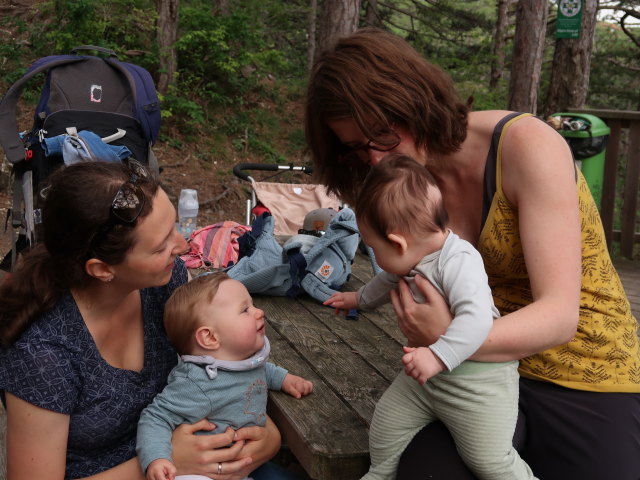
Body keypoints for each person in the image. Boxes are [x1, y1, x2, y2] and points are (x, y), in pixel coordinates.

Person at [305, 27, 640, 480]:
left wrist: (447, 339)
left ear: (414, 103)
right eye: (354, 148)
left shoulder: (525, 147)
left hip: (581, 367)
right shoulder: (398, 185)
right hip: (472, 377)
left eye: (381, 136)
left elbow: (560, 317)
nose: (376, 161)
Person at [0, 160, 284, 480]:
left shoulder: (163, 285)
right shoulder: (42, 353)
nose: (184, 245)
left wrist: (267, 437)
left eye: (175, 226)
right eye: (162, 245)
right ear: (102, 269)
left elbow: (221, 366)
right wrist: (164, 461)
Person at [325, 154, 534, 480]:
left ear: (397, 242)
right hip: (423, 383)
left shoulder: (459, 261)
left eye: (373, 248)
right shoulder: (411, 255)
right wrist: (357, 298)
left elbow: (477, 320)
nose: (375, 256)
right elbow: (387, 279)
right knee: (387, 423)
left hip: (478, 386)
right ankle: (380, 473)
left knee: (490, 462)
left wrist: (437, 355)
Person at [138, 272, 314, 480]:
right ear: (210, 337)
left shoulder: (241, 359)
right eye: (245, 310)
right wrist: (157, 458)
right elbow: (156, 417)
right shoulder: (197, 383)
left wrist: (285, 379)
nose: (259, 312)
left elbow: (260, 369)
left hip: (245, 462)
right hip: (202, 470)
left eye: (253, 305)